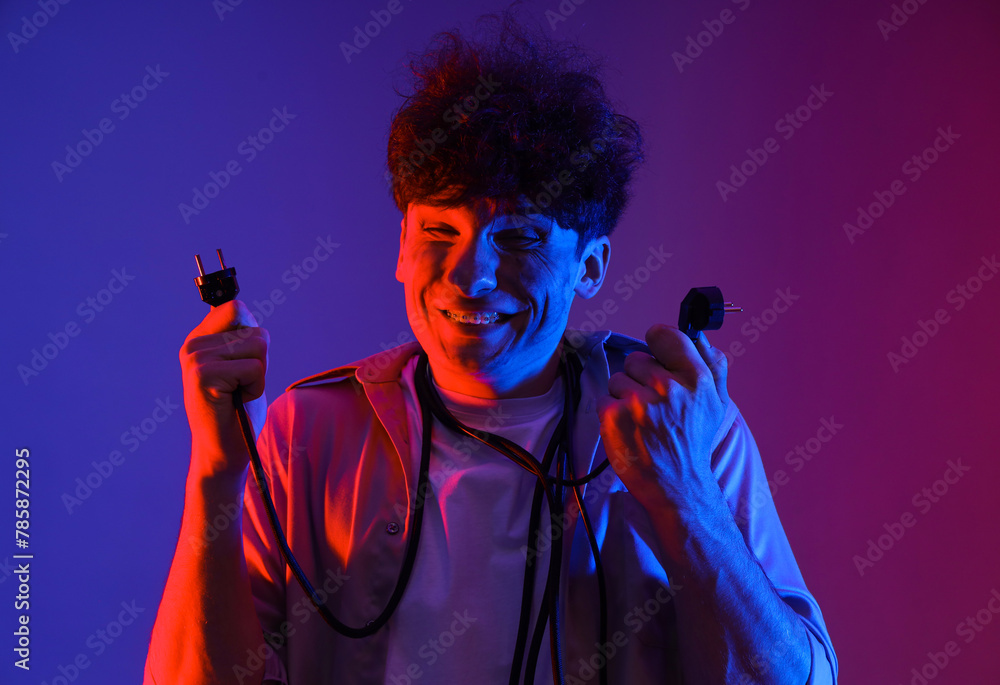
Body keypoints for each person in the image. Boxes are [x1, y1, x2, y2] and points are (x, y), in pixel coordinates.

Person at [144, 14, 837, 685]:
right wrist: (214, 474)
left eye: (520, 238)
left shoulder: (684, 425)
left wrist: (686, 499)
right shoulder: (308, 432)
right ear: (401, 247)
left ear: (590, 266)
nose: (469, 276)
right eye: (439, 231)